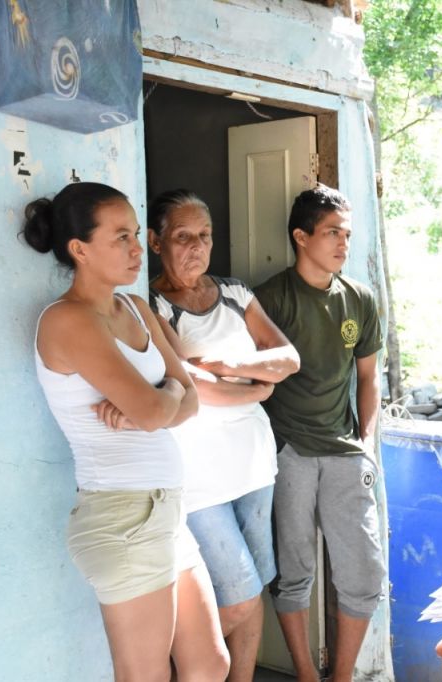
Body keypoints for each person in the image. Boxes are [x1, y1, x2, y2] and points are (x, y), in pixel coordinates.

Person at [23, 181, 230, 681]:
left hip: (163, 510)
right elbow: (160, 410)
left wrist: (160, 399)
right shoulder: (66, 320)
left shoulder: (137, 309)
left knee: (208, 664)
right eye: (120, 237)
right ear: (80, 249)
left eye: (136, 234)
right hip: (123, 515)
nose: (138, 248)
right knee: (145, 675)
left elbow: (189, 399)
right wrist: (159, 401)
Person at [147, 189, 300, 682]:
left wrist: (233, 366)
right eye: (182, 236)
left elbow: (288, 359)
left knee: (255, 589)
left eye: (205, 236)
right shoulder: (150, 304)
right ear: (155, 242)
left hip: (254, 464)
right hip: (199, 478)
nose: (196, 247)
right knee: (234, 600)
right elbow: (191, 387)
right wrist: (257, 389)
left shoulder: (235, 293)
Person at [254, 185, 384, 682]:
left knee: (363, 574)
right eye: (332, 232)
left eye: (347, 235)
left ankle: (343, 676)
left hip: (346, 452)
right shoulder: (271, 297)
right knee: (294, 571)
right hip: (289, 451)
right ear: (300, 236)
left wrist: (367, 444)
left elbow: (368, 378)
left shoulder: (360, 299)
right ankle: (308, 673)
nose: (342, 244)